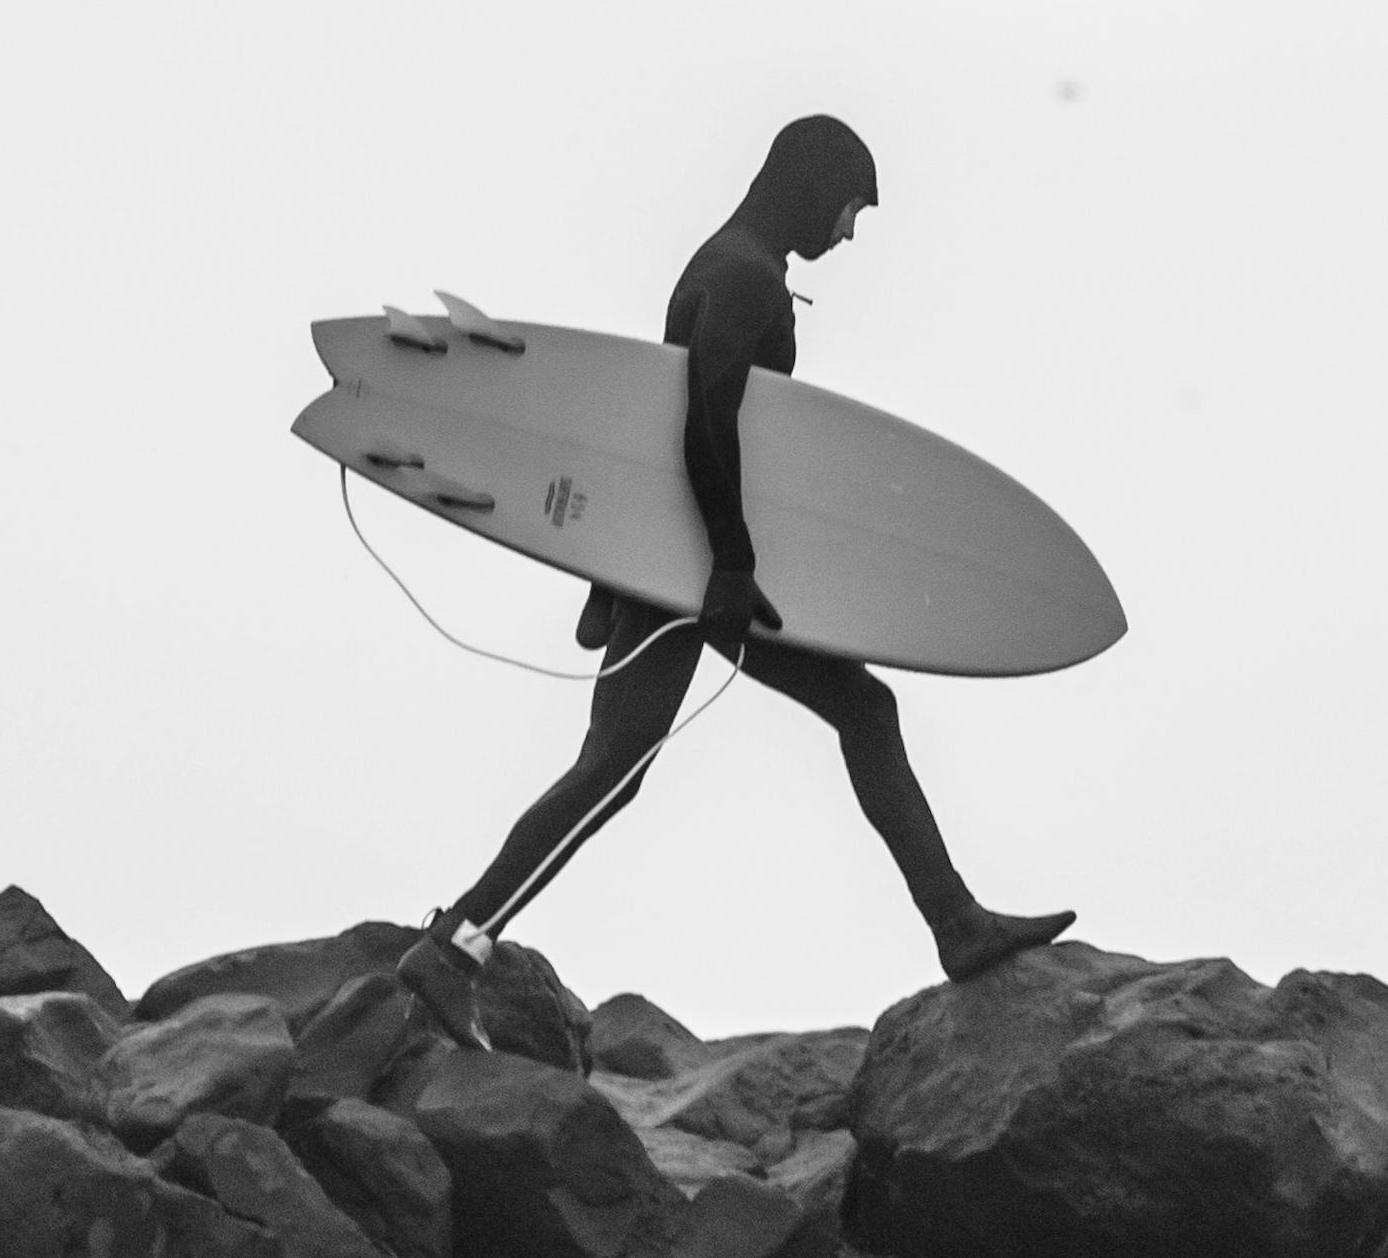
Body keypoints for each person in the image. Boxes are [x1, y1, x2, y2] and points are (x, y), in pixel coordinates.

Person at [428, 112, 1074, 982]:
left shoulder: (729, 261)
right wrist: (729, 564)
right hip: (698, 569)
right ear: (811, 187)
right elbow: (701, 417)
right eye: (851, 208)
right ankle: (455, 946)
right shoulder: (743, 276)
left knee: (633, 763)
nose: (849, 232)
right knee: (658, 757)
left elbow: (658, 424)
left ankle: (457, 942)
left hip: (678, 561)